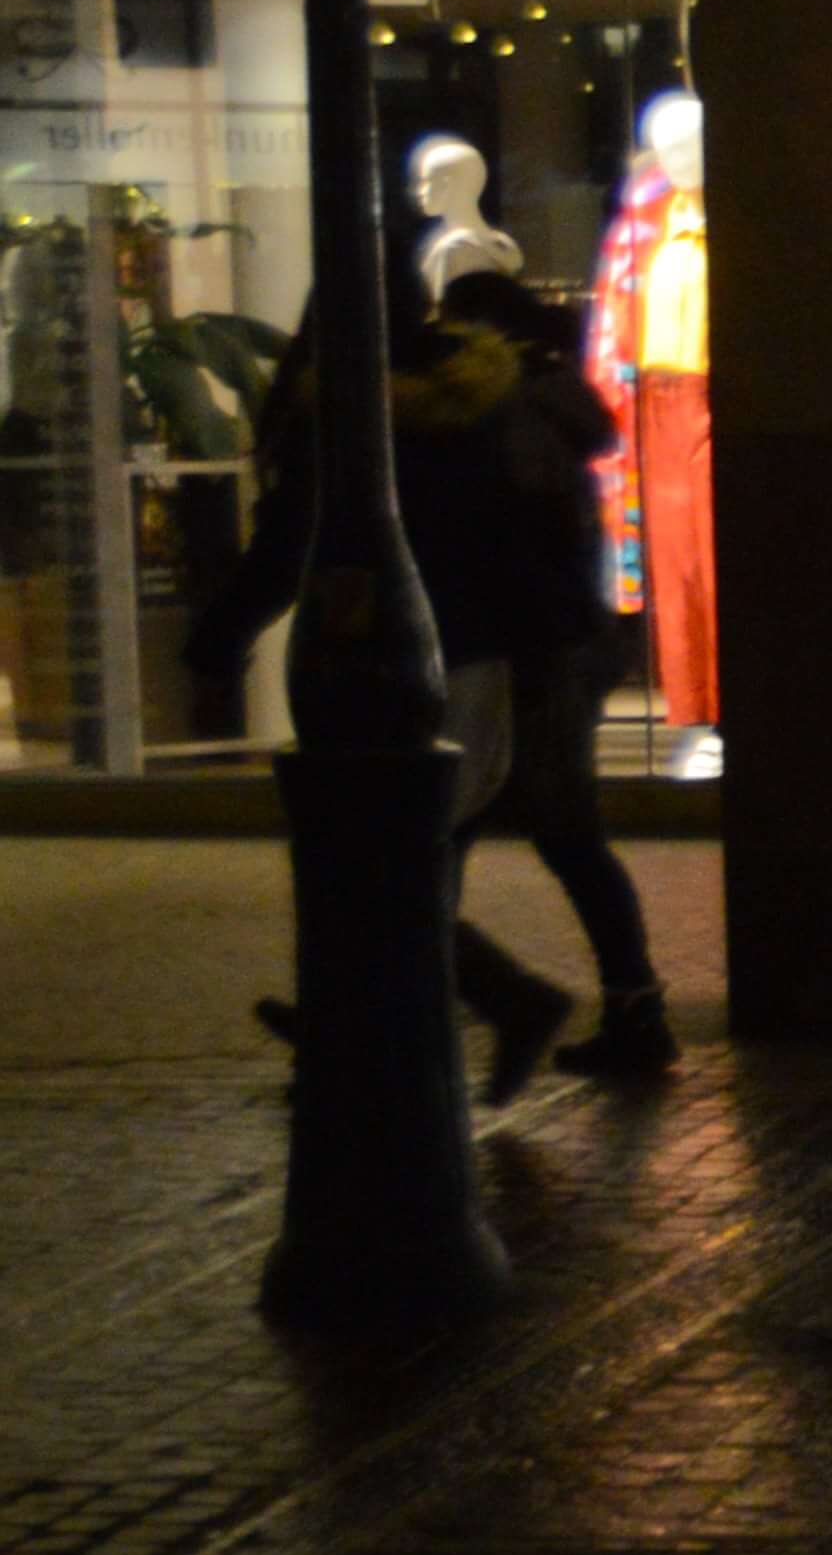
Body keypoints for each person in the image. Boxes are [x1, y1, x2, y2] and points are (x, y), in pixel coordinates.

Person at [207, 250, 671, 1097]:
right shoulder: (480, 398)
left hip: (433, 657)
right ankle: (374, 1021)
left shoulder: (354, 411)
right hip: (503, 649)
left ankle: (471, 1009)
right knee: (430, 848)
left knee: (395, 856)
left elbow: (291, 541)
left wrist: (222, 632)